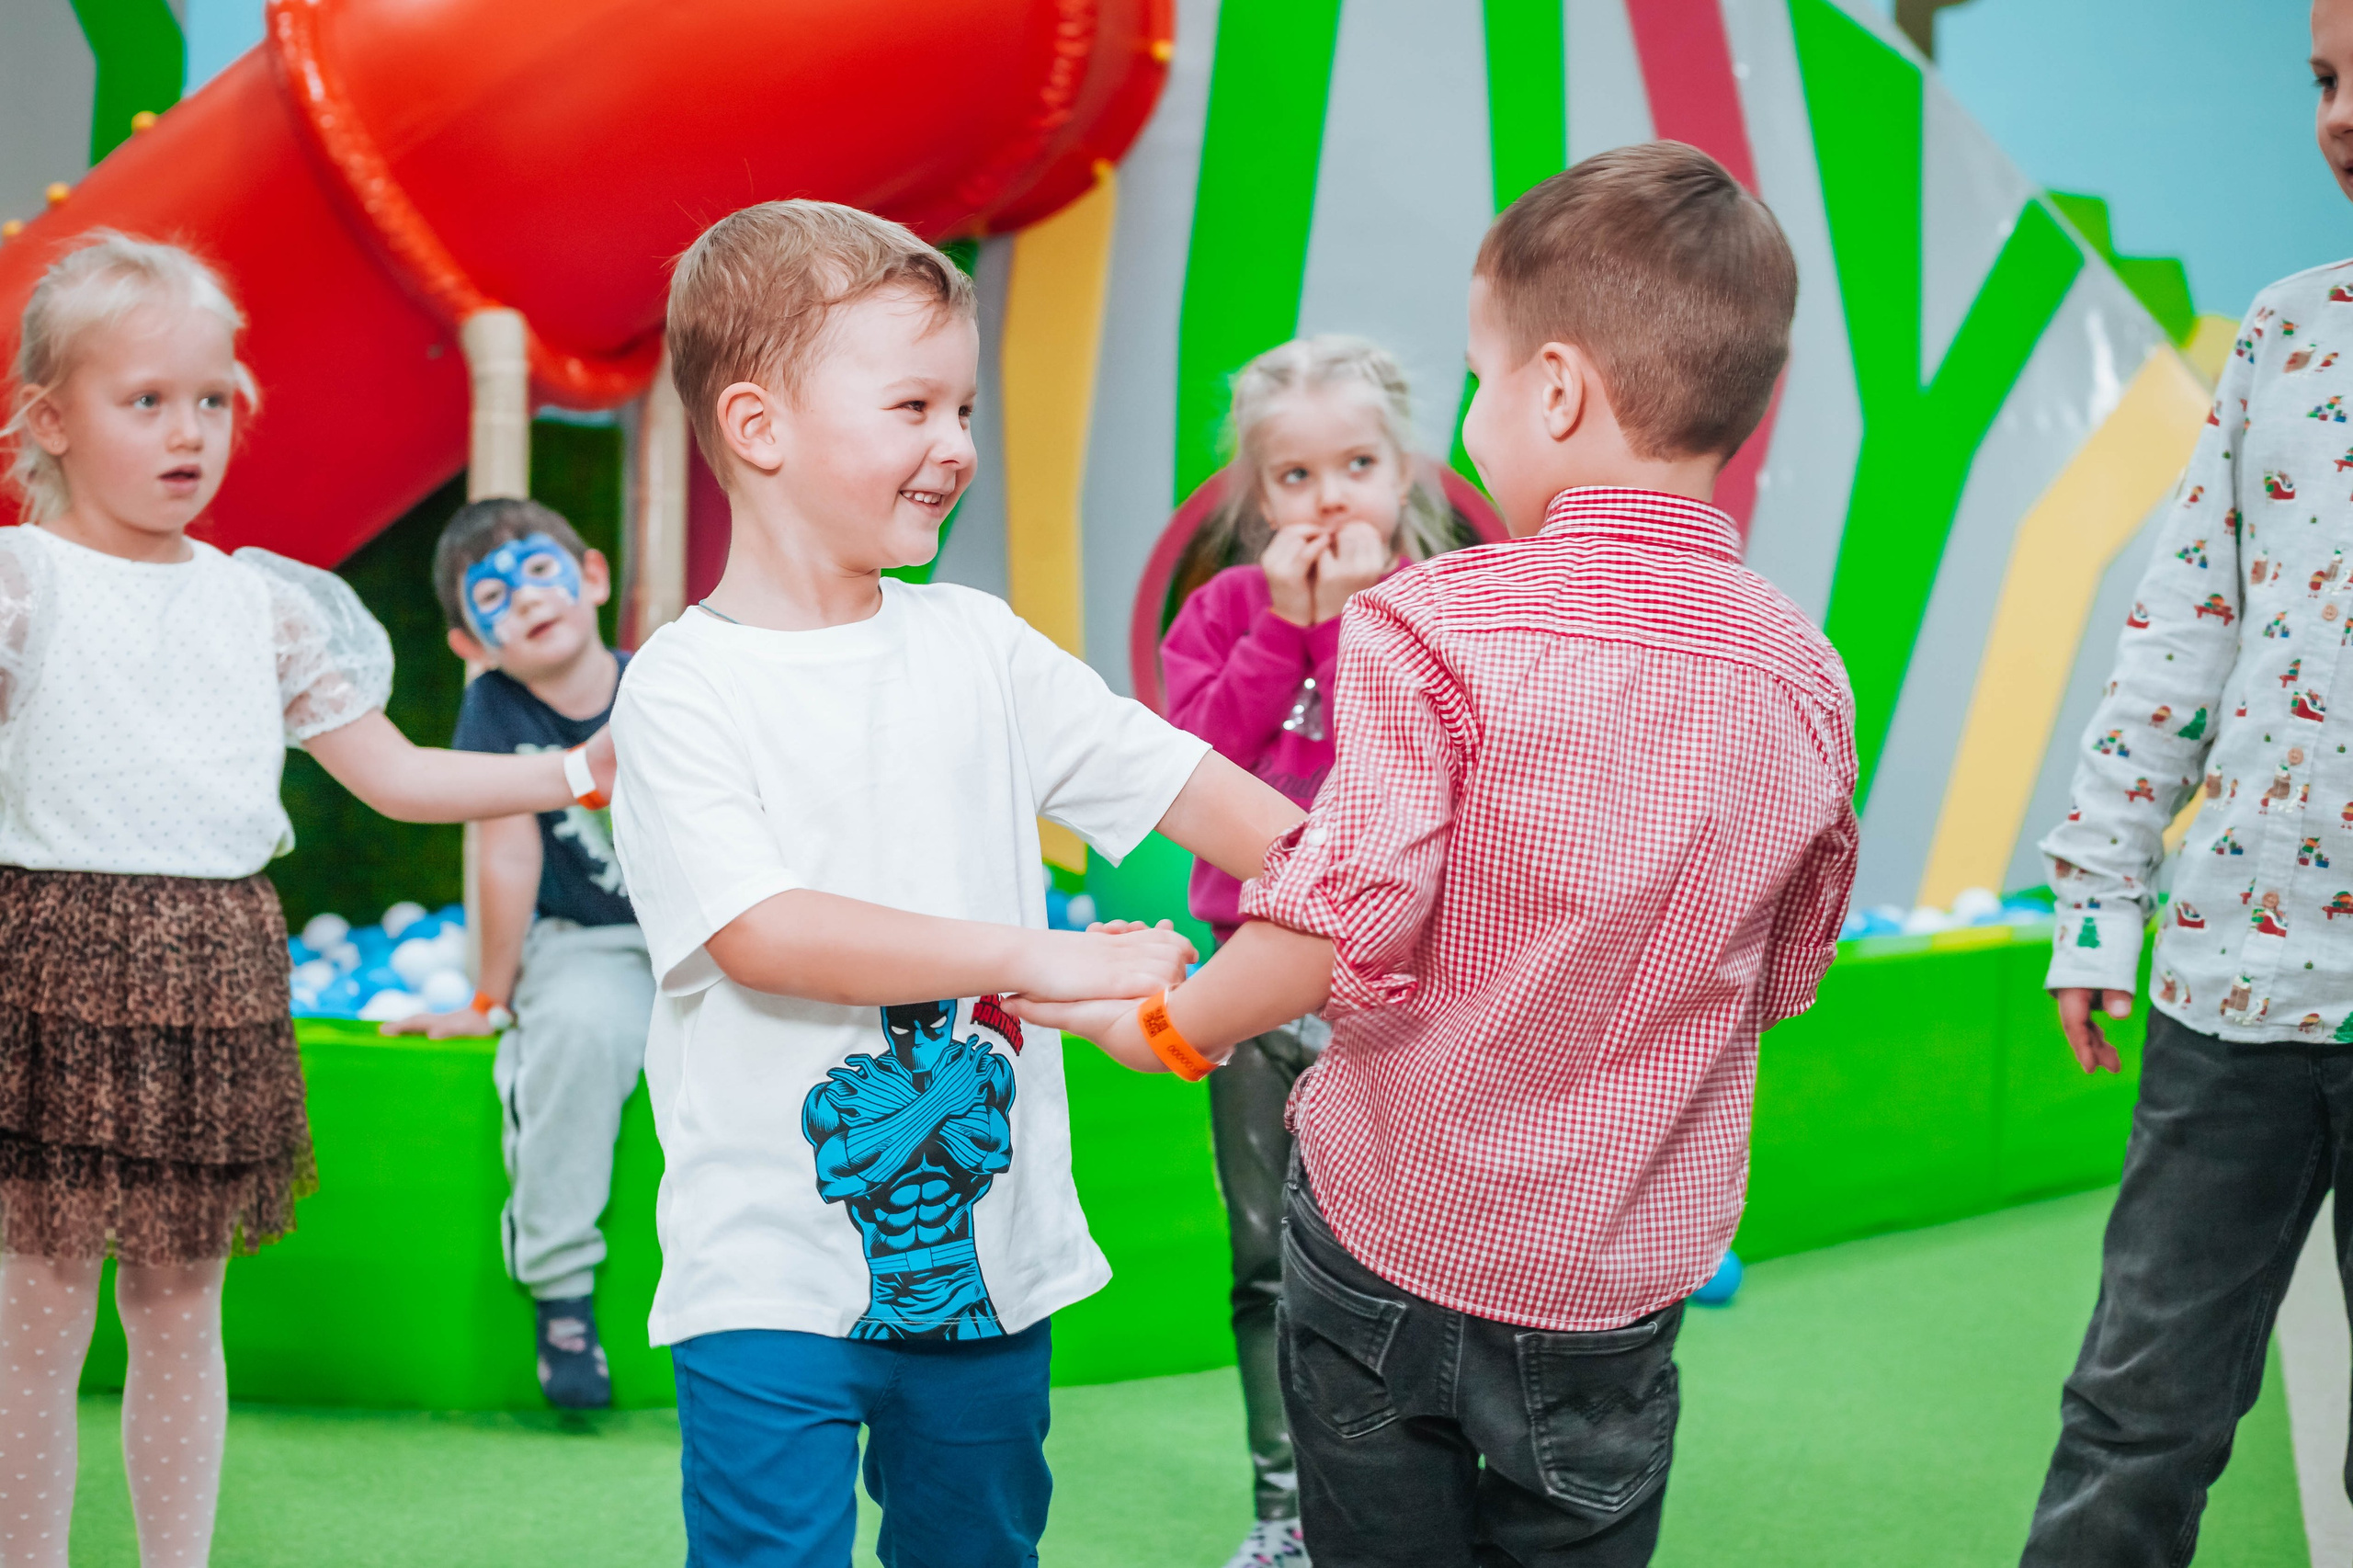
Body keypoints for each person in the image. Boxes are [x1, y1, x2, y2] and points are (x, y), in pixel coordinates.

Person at [1017, 142, 1857, 1567]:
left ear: (1556, 391)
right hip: (1615, 1272)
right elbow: (1781, 968)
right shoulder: (1804, 674)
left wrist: (1157, 1022)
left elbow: (1331, 925)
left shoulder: (1436, 622)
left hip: (1398, 1237)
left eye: (1479, 374)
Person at [605, 199, 1302, 1568]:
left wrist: (1368, 878)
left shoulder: (981, 647)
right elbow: (761, 929)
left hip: (992, 1270)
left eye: (966, 407)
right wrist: (1044, 957)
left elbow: (1202, 796)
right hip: (767, 1274)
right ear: (759, 427)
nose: (958, 448)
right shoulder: (684, 687)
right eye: (914, 404)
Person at [0, 232, 614, 1568]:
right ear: (49, 417)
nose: (189, 432)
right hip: (49, 956)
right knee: (34, 1310)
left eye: (213, 399)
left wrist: (573, 762)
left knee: (180, 1305)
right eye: (146, 400)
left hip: (216, 963)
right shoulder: (22, 587)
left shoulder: (261, 607)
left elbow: (392, 775)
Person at [2022, 4, 2353, 1558]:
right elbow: (2181, 636)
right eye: (2324, 80)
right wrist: (2098, 899)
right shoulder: (2290, 332)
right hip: (2238, 988)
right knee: (2138, 1408)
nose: (2338, 115)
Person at [1158, 334, 1461, 1568]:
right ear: (1256, 497)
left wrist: (1354, 624)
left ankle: (1418, 1498)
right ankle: (1284, 1507)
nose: (1330, 495)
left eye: (1357, 462)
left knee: (1424, 1258)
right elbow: (1195, 771)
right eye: (1295, 476)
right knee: (1269, 1261)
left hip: (1401, 988)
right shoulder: (1222, 610)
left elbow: (1401, 771)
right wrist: (1289, 624)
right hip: (1247, 987)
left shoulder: (1450, 608)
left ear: (1406, 473)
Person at [383, 497, 650, 1410]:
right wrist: (491, 995)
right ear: (471, 642)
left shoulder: (659, 682)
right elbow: (507, 849)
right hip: (586, 939)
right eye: (493, 593)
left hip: (703, 933)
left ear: (593, 575)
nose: (527, 597)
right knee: (573, 1033)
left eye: (540, 570)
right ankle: (561, 1288)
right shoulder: (495, 708)